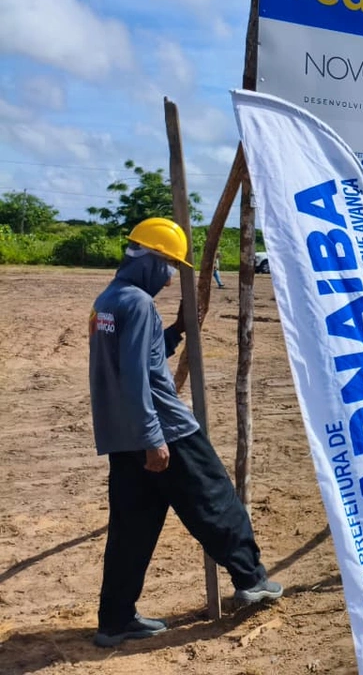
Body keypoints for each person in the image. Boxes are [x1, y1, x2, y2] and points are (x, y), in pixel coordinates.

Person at [89, 217, 282, 648]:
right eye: (170, 266)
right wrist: (153, 438)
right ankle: (251, 579)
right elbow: (137, 377)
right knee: (216, 500)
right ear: (152, 260)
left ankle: (115, 620)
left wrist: (175, 331)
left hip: (122, 437)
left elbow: (137, 360)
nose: (172, 276)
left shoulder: (109, 300)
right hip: (164, 430)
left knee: (131, 531)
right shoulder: (138, 303)